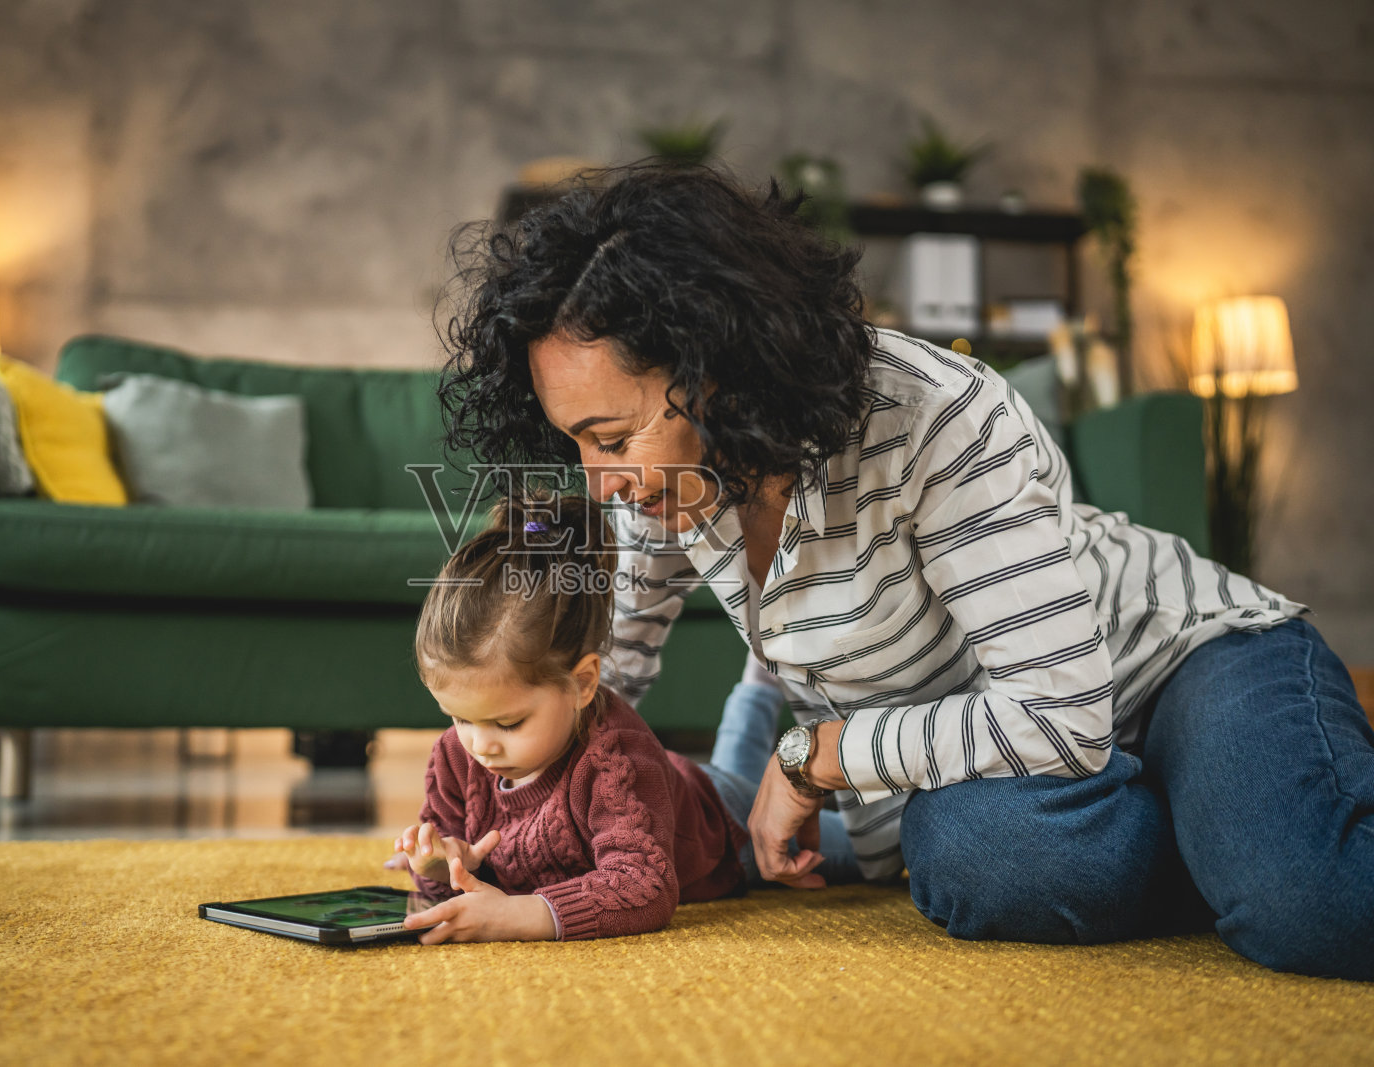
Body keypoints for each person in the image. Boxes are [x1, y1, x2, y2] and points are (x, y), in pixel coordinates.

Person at [432, 163, 1374, 979]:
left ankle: (1248, 828)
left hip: (1178, 661)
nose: (602, 482)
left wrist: (814, 759)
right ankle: (1213, 828)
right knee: (971, 858)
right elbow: (600, 688)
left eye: (614, 437)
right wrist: (494, 830)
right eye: (578, 447)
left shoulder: (936, 419)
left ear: (714, 370)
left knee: (1311, 904)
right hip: (1018, 763)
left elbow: (1057, 709)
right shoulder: (660, 485)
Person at [393, 492, 859, 943]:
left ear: (583, 683)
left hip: (722, 831)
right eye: (459, 718)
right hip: (681, 786)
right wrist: (439, 868)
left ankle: (767, 665)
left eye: (508, 724)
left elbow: (645, 888)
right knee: (735, 769)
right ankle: (760, 678)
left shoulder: (614, 762)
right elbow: (454, 897)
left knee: (873, 850)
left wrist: (518, 915)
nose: (480, 746)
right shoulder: (456, 757)